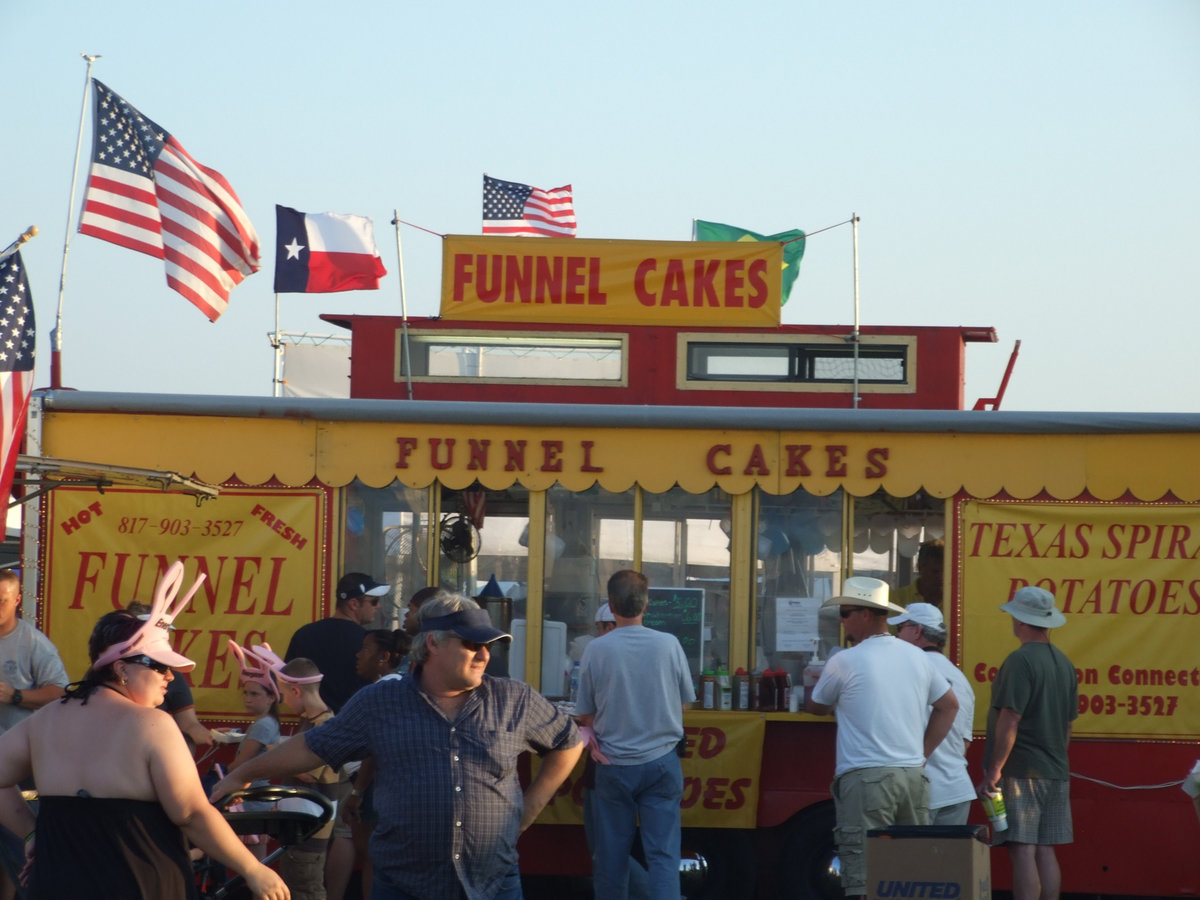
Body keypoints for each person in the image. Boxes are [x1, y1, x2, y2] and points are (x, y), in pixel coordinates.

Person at [212, 592, 582, 900]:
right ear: (433, 643)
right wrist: (241, 774)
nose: (484, 654)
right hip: (404, 885)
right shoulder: (381, 701)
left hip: (492, 883)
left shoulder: (513, 698)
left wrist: (527, 811)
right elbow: (314, 746)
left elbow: (568, 742)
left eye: (488, 645)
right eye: (472, 644)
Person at [0, 561, 287, 900]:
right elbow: (191, 813)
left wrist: (34, 834)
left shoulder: (45, 719)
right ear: (121, 668)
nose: (170, 676)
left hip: (55, 883)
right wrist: (253, 869)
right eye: (161, 665)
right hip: (139, 883)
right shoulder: (153, 725)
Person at [806, 576, 958, 900]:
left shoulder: (845, 660)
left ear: (865, 614)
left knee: (865, 878)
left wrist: (811, 683)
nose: (842, 622)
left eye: (845, 613)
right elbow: (949, 706)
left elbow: (817, 707)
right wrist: (922, 753)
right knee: (910, 879)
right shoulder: (917, 656)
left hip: (866, 779)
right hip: (913, 777)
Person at [575, 570, 696, 900]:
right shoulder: (669, 645)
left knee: (611, 859)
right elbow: (684, 704)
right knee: (663, 857)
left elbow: (584, 713)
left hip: (613, 765)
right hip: (661, 762)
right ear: (647, 604)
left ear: (610, 605)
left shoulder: (596, 650)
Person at [980, 586, 1078, 900]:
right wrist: (1057, 759)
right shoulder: (1064, 664)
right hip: (1055, 769)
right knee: (1046, 850)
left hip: (1022, 769)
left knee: (1022, 850)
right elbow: (1067, 725)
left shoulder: (1019, 661)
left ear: (1020, 621)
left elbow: (1011, 717)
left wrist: (994, 770)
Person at [250, 649, 338, 900]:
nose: (283, 701)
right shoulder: (309, 720)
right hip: (299, 826)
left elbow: (308, 772)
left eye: (284, 694)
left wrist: (273, 756)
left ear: (296, 691)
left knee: (305, 890)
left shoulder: (325, 726)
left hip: (311, 831)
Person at [888, 602, 976, 824]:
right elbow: (965, 743)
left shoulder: (905, 669)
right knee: (946, 860)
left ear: (916, 631)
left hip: (921, 791)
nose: (896, 636)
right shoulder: (961, 679)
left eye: (899, 629)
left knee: (912, 859)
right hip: (957, 789)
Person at [339, 629, 411, 900]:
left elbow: (375, 748)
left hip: (372, 784)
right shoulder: (393, 686)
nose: (358, 654)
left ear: (385, 656)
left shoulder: (385, 690)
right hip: (375, 784)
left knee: (371, 857)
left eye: (365, 649)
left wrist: (357, 791)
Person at [286, 572, 389, 713]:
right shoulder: (369, 643)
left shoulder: (304, 634)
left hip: (312, 727)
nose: (378, 606)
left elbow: (287, 683)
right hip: (355, 725)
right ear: (353, 604)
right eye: (374, 601)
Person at [127, 601, 213, 750]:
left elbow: (189, 725)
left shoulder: (174, 677)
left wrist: (212, 736)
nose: (168, 676)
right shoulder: (102, 678)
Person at [227, 641, 283, 859]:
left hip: (252, 800)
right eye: (246, 693)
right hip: (256, 799)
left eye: (254, 694)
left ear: (271, 697)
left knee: (253, 860)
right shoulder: (267, 723)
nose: (248, 699)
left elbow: (242, 764)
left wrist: (225, 769)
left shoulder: (263, 724)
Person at [892, 539, 945, 608]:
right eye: (935, 572)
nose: (941, 577)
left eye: (946, 572)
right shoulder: (894, 600)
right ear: (920, 568)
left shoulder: (958, 601)